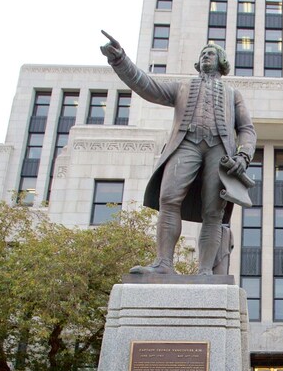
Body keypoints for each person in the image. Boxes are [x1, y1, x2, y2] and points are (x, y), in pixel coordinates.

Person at [100, 30, 256, 275]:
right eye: (203, 53)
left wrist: (243, 156)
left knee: (213, 212)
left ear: (221, 61)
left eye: (211, 53)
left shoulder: (233, 94)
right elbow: (147, 86)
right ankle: (163, 264)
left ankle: (205, 270)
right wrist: (120, 60)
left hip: (220, 150)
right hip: (186, 144)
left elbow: (247, 129)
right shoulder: (183, 87)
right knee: (168, 199)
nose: (206, 56)